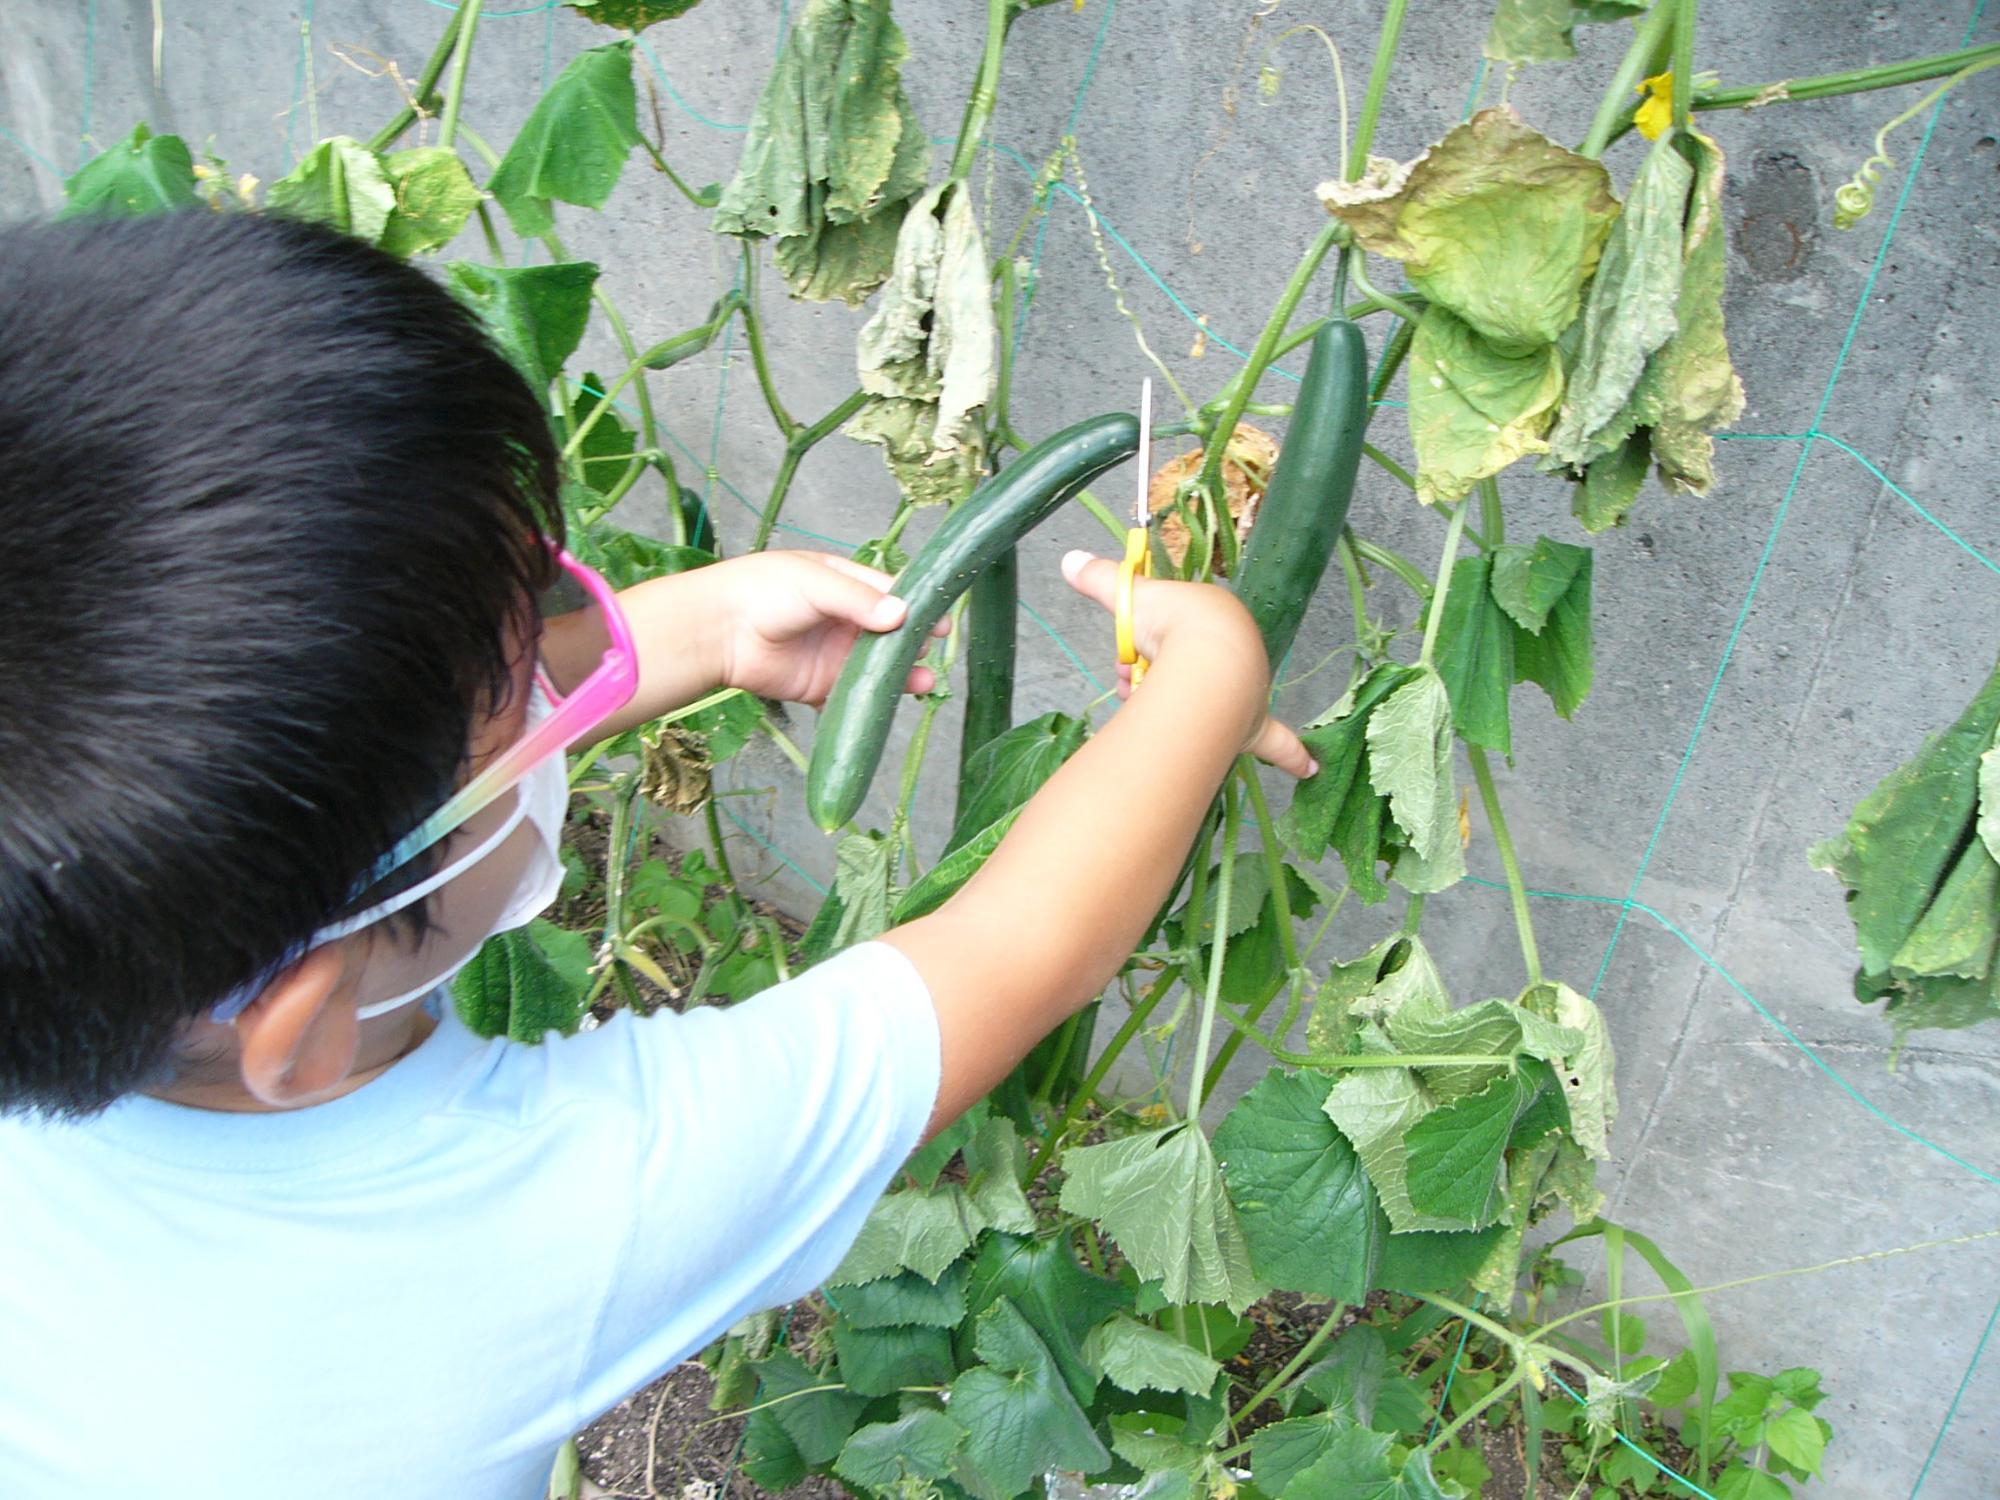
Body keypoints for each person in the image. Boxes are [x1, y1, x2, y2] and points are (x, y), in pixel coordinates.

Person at [0, 211, 1311, 1499]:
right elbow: (1017, 948)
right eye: (520, 691)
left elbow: (373, 761)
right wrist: (1210, 679)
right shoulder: (529, 1225)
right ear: (300, 1025)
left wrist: (698, 631)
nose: (556, 665)